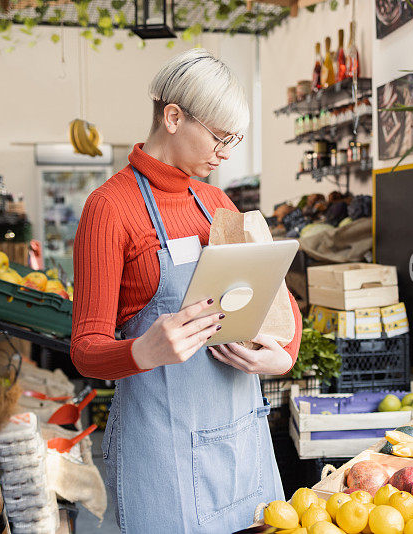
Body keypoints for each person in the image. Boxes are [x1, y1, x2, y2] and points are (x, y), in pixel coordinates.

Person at [71, 48, 303, 532]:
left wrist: (284, 355)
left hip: (242, 437)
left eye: (234, 140)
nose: (226, 154)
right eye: (220, 137)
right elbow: (85, 350)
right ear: (173, 117)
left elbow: (277, 299)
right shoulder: (110, 209)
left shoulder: (215, 201)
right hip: (163, 453)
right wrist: (142, 350)